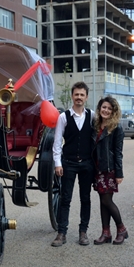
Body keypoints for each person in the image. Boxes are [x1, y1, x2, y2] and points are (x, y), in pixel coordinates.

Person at [51, 81, 95, 247]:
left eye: (82, 95)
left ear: (86, 97)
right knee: (65, 199)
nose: (79, 97)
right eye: (76, 94)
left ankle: (83, 232)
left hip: (86, 164)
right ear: (72, 96)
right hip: (68, 162)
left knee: (86, 198)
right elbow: (57, 142)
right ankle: (61, 233)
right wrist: (57, 163)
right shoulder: (63, 117)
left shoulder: (91, 116)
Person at [92, 96, 128, 245]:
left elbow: (118, 152)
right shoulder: (95, 125)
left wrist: (119, 173)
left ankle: (122, 229)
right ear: (100, 108)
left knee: (107, 200)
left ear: (113, 111)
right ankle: (105, 233)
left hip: (110, 169)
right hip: (97, 168)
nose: (105, 110)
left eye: (109, 108)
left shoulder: (116, 127)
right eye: (104, 107)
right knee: (103, 201)